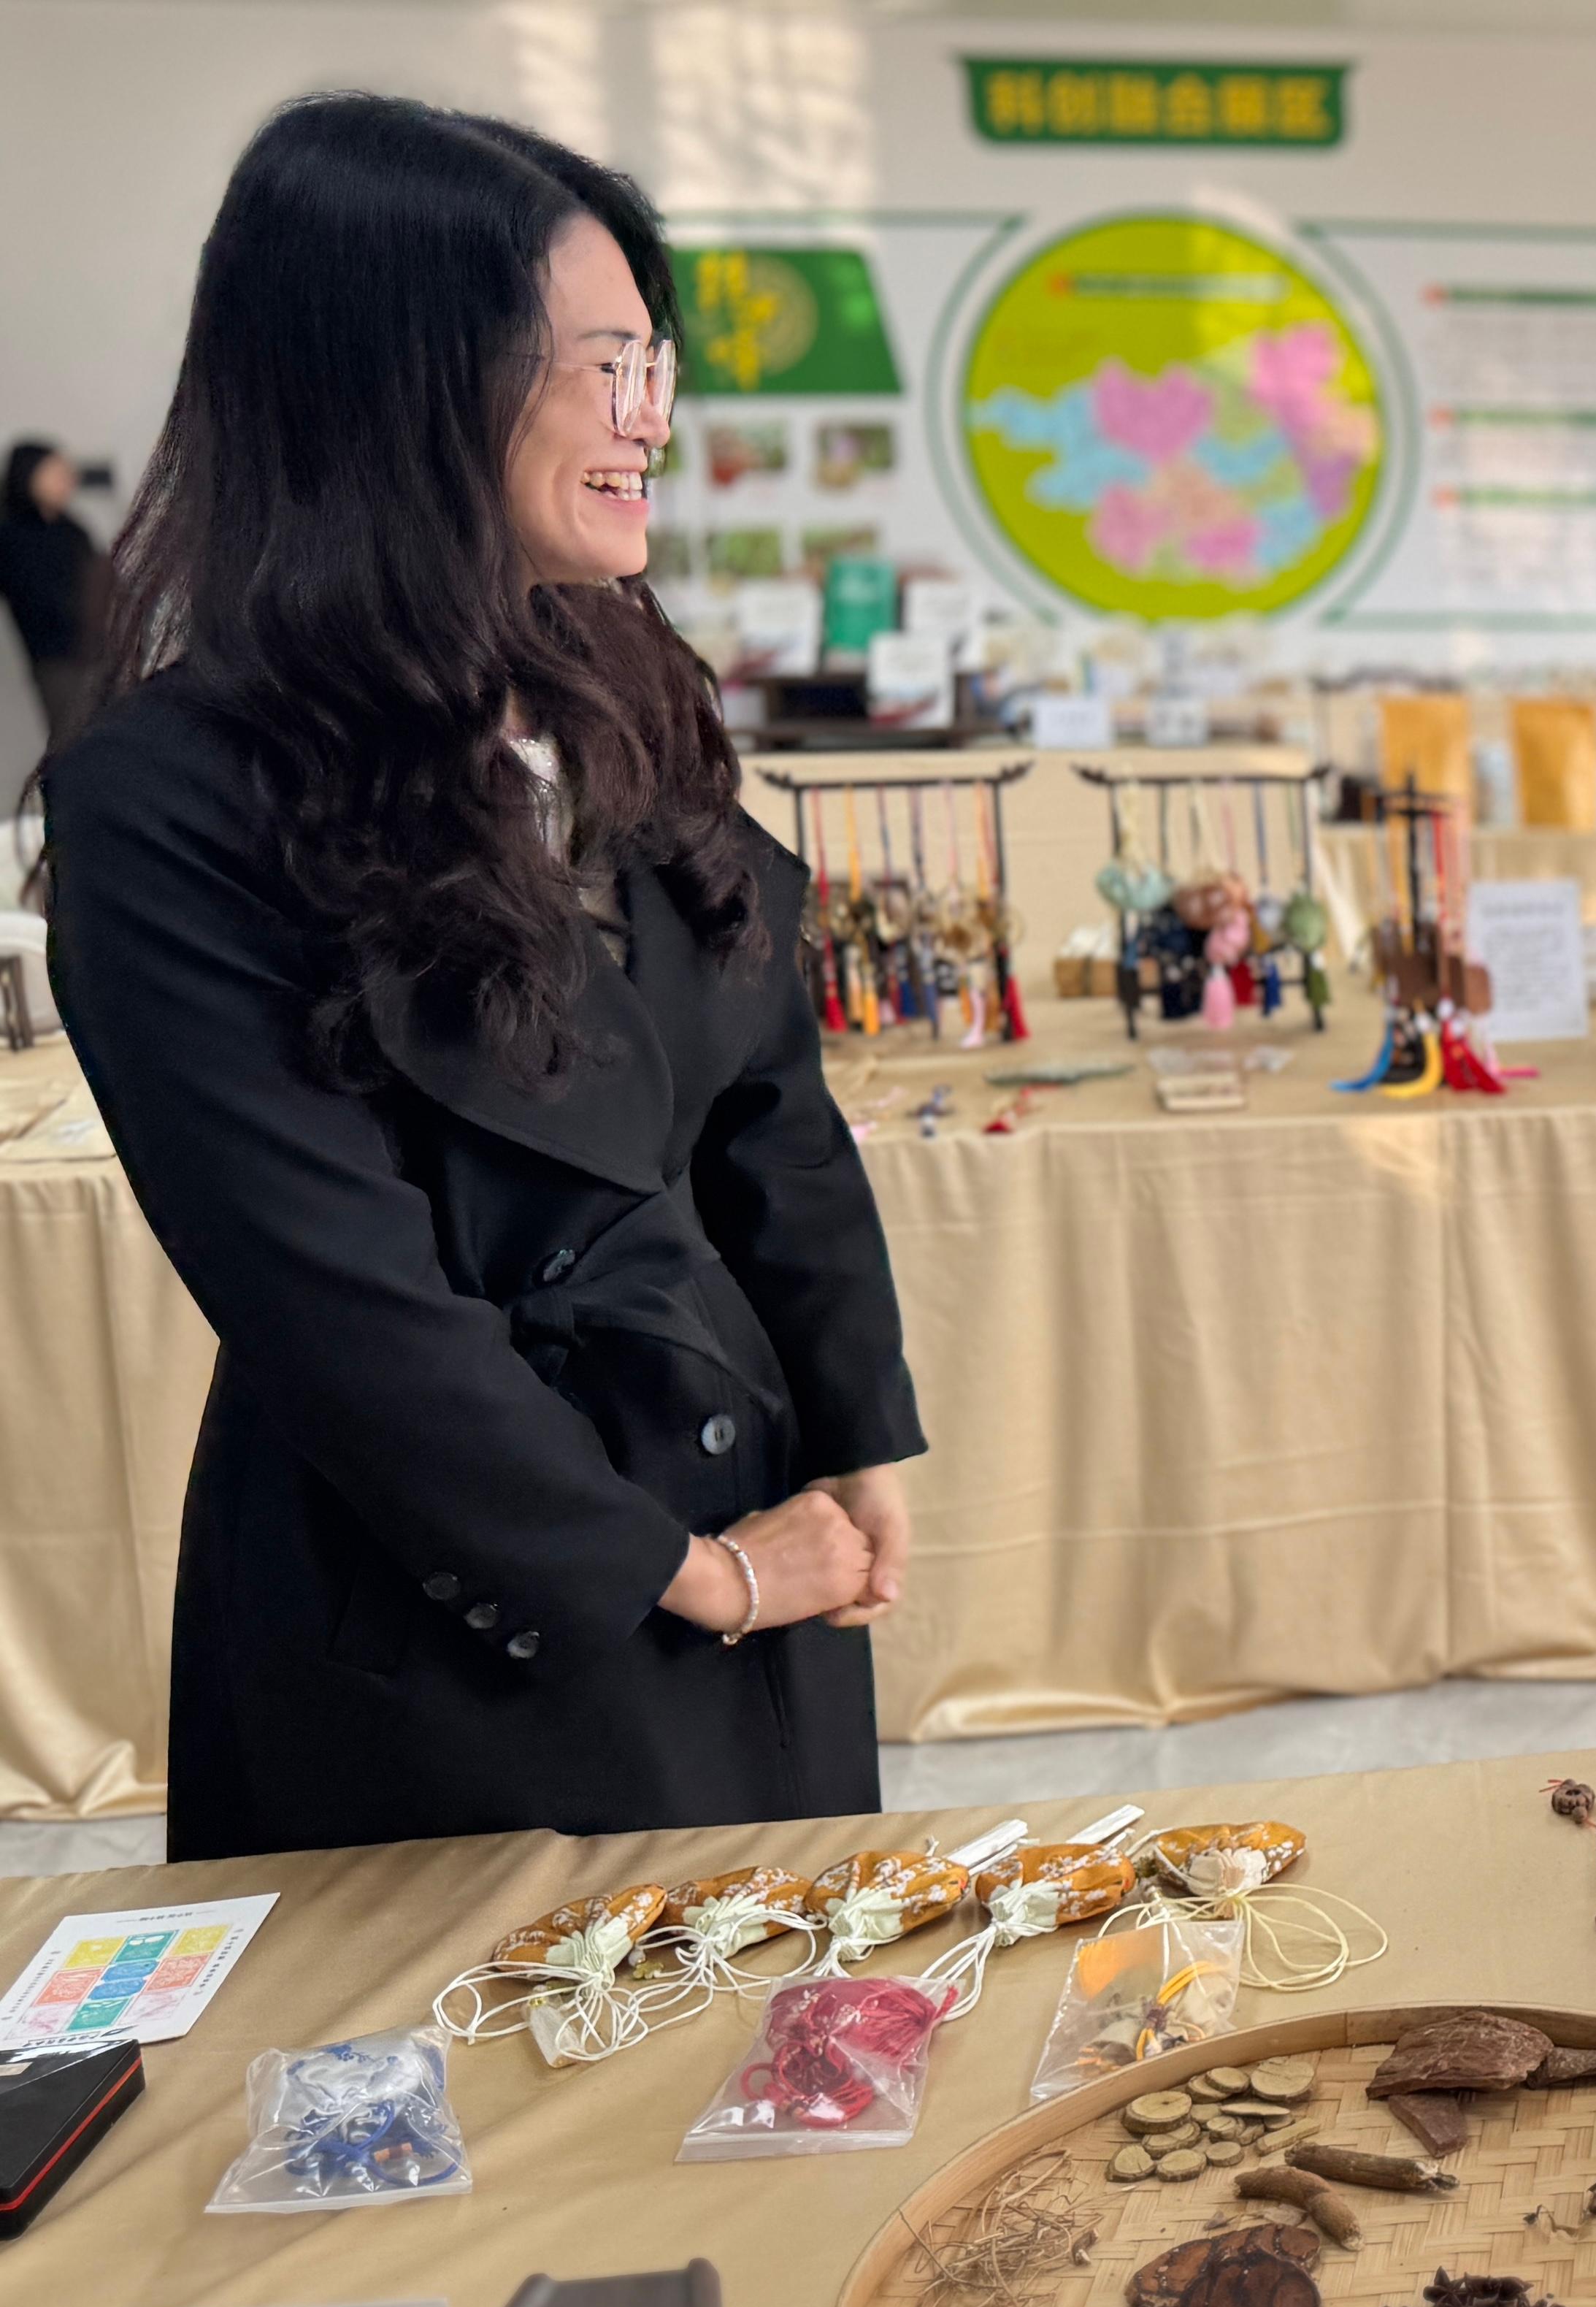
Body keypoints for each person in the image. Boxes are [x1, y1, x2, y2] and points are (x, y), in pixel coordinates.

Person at [42, 96, 922, 1856]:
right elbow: (336, 1304)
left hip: (748, 1521)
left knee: (774, 2058)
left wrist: (855, 1425)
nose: (649, 415)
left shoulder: (625, 686)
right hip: (466, 1600)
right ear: (406, 380)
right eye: (603, 362)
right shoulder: (167, 796)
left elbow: (763, 1101)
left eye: (653, 359)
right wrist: (679, 1572)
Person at [1, 440, 106, 744]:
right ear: (29, 475)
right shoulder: (12, 537)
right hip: (57, 659)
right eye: (56, 472)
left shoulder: (74, 530)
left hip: (100, 649)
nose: (67, 480)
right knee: (75, 741)